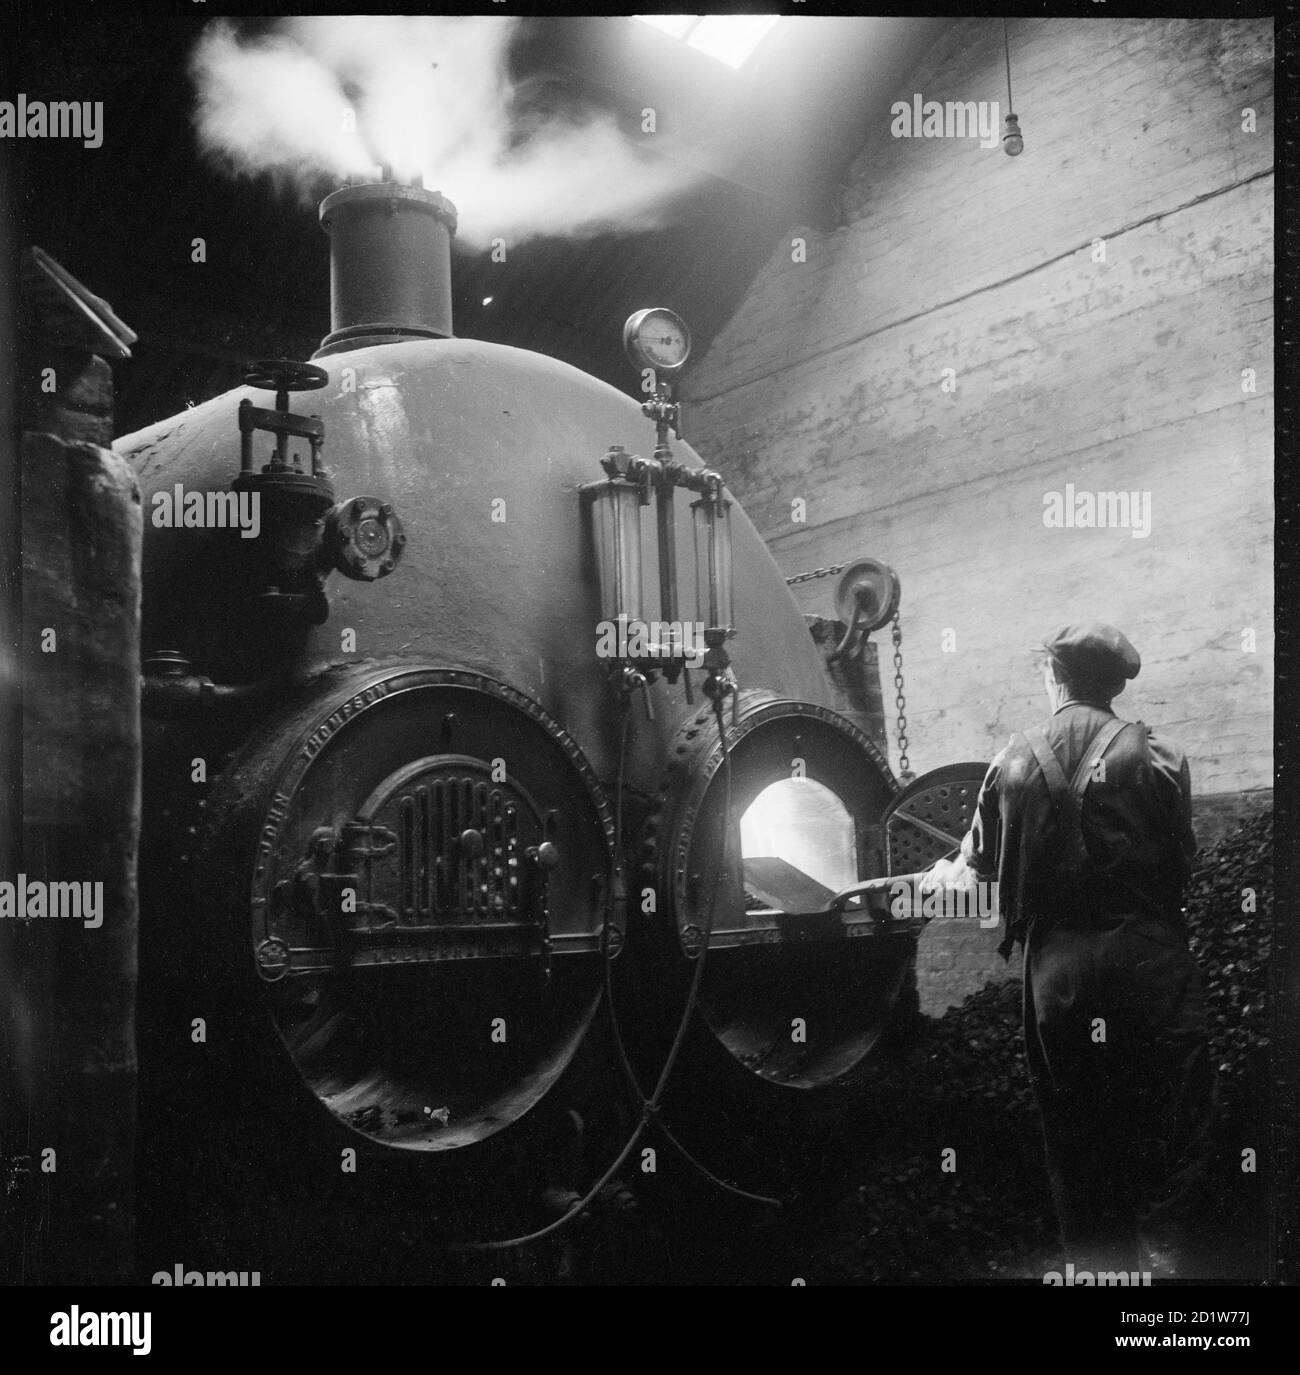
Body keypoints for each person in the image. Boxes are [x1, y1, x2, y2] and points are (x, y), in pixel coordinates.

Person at [921, 621, 1216, 1277]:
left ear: (1053, 677)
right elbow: (1181, 862)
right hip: (1150, 960)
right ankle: (1168, 1262)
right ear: (1114, 684)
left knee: (1076, 1136)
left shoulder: (1012, 761)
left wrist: (931, 879)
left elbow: (973, 871)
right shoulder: (1160, 755)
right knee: (1177, 1113)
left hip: (1058, 974)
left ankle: (1095, 1268)